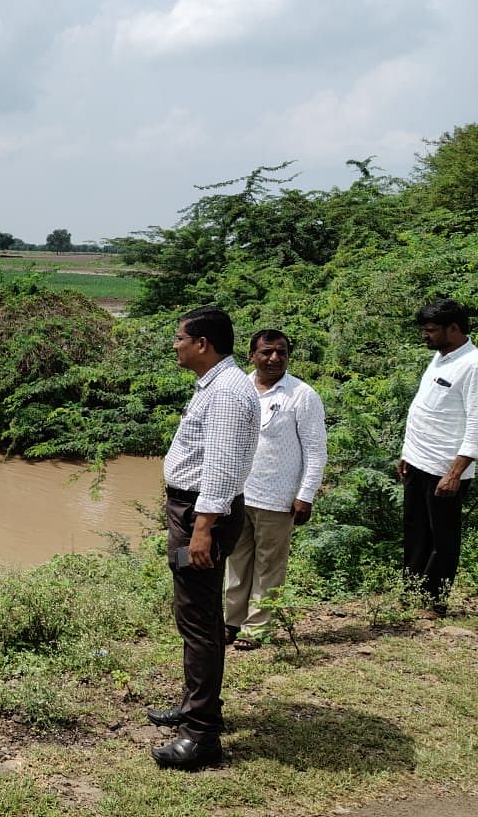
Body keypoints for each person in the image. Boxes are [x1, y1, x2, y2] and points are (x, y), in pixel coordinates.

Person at [147, 306, 259, 770]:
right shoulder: (219, 386)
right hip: (195, 511)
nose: (174, 345)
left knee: (198, 620)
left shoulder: (228, 393)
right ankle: (198, 709)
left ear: (202, 344)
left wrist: (202, 529)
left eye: (179, 338)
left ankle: (202, 736)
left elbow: (222, 466)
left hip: (201, 513)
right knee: (199, 615)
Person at [224, 330, 327, 649]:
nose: (274, 358)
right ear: (252, 355)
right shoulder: (237, 388)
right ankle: (230, 623)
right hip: (238, 493)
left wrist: (305, 494)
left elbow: (315, 449)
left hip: (278, 498)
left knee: (269, 565)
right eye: (267, 352)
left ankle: (257, 629)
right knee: (236, 562)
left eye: (281, 352)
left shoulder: (301, 394)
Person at [398, 298, 478, 615]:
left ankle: (434, 602)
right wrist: (408, 453)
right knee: (416, 531)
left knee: (442, 538)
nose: (425, 336)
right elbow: (425, 409)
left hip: (445, 468)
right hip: (418, 461)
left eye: (431, 330)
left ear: (454, 329)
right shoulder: (442, 358)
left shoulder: (473, 365)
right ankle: (410, 592)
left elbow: (476, 423)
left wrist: (455, 473)